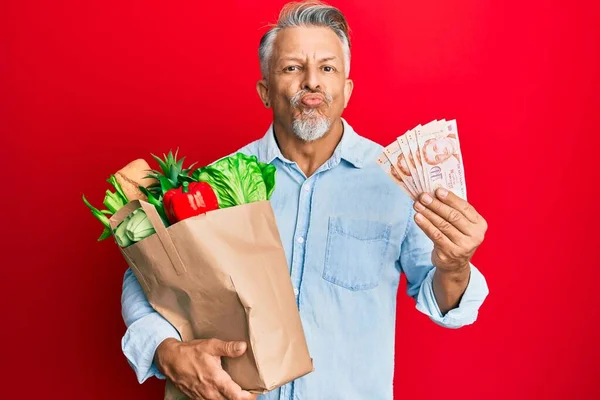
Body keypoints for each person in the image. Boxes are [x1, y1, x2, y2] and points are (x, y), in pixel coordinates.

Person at [120, 1, 490, 399]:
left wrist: (454, 266)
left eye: (327, 68)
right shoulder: (219, 182)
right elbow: (148, 276)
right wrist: (165, 349)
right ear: (265, 90)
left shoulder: (396, 181)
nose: (311, 81)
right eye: (292, 67)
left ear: (346, 90)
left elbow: (447, 307)